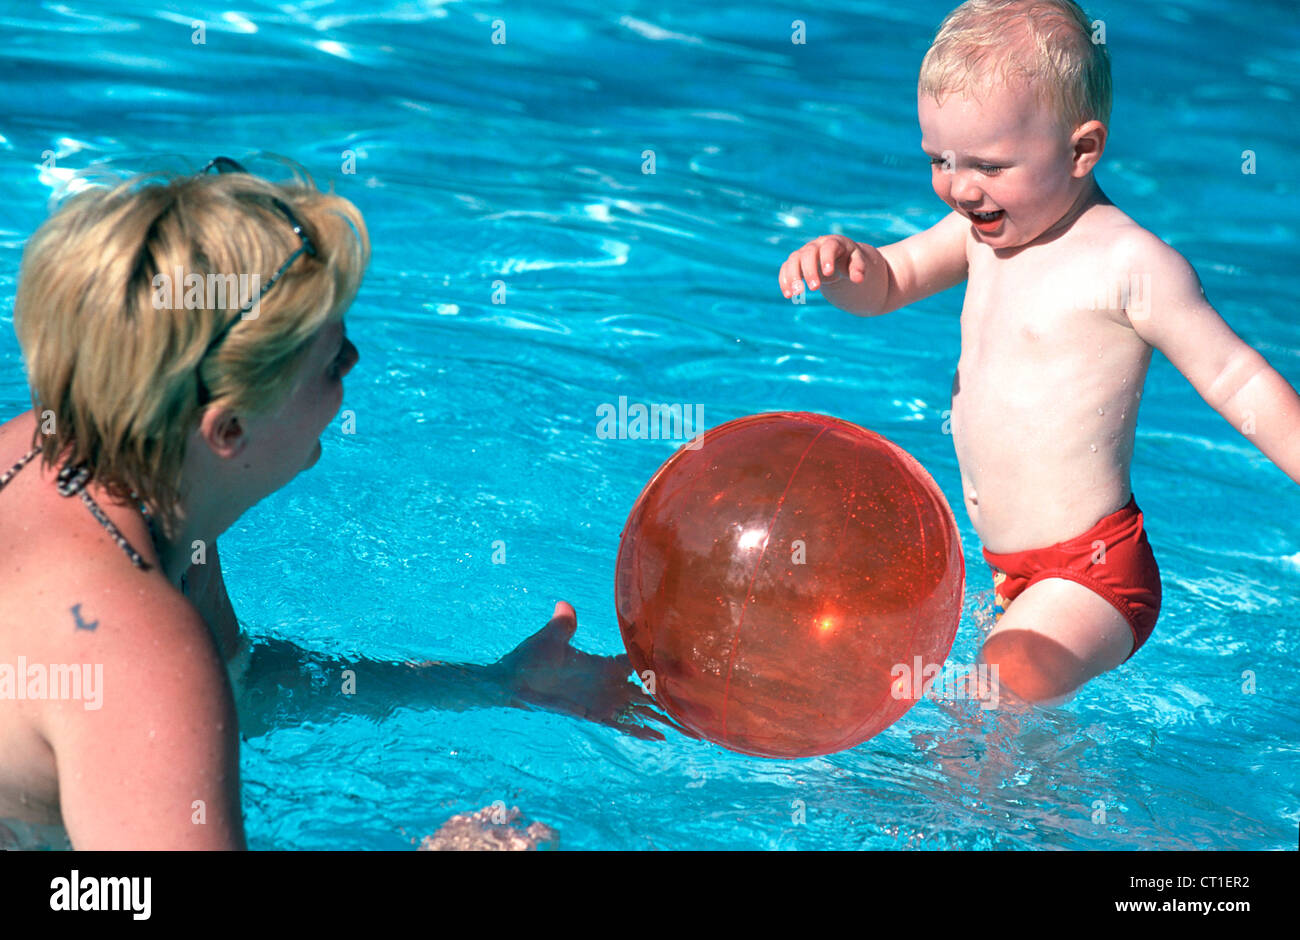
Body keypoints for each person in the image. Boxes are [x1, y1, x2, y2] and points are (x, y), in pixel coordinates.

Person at [0, 157, 660, 850]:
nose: (356, 368)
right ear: (228, 429)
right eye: (334, 362)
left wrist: (492, 684)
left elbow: (243, 689)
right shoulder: (138, 648)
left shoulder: (125, 489)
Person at [777, 0, 1299, 704]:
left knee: (993, 697)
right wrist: (846, 269)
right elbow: (889, 283)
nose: (960, 188)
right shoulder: (974, 233)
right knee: (979, 703)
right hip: (1003, 569)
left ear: (1083, 150)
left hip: (1093, 571)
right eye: (939, 160)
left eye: (988, 165)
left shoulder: (1130, 262)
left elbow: (1237, 379)